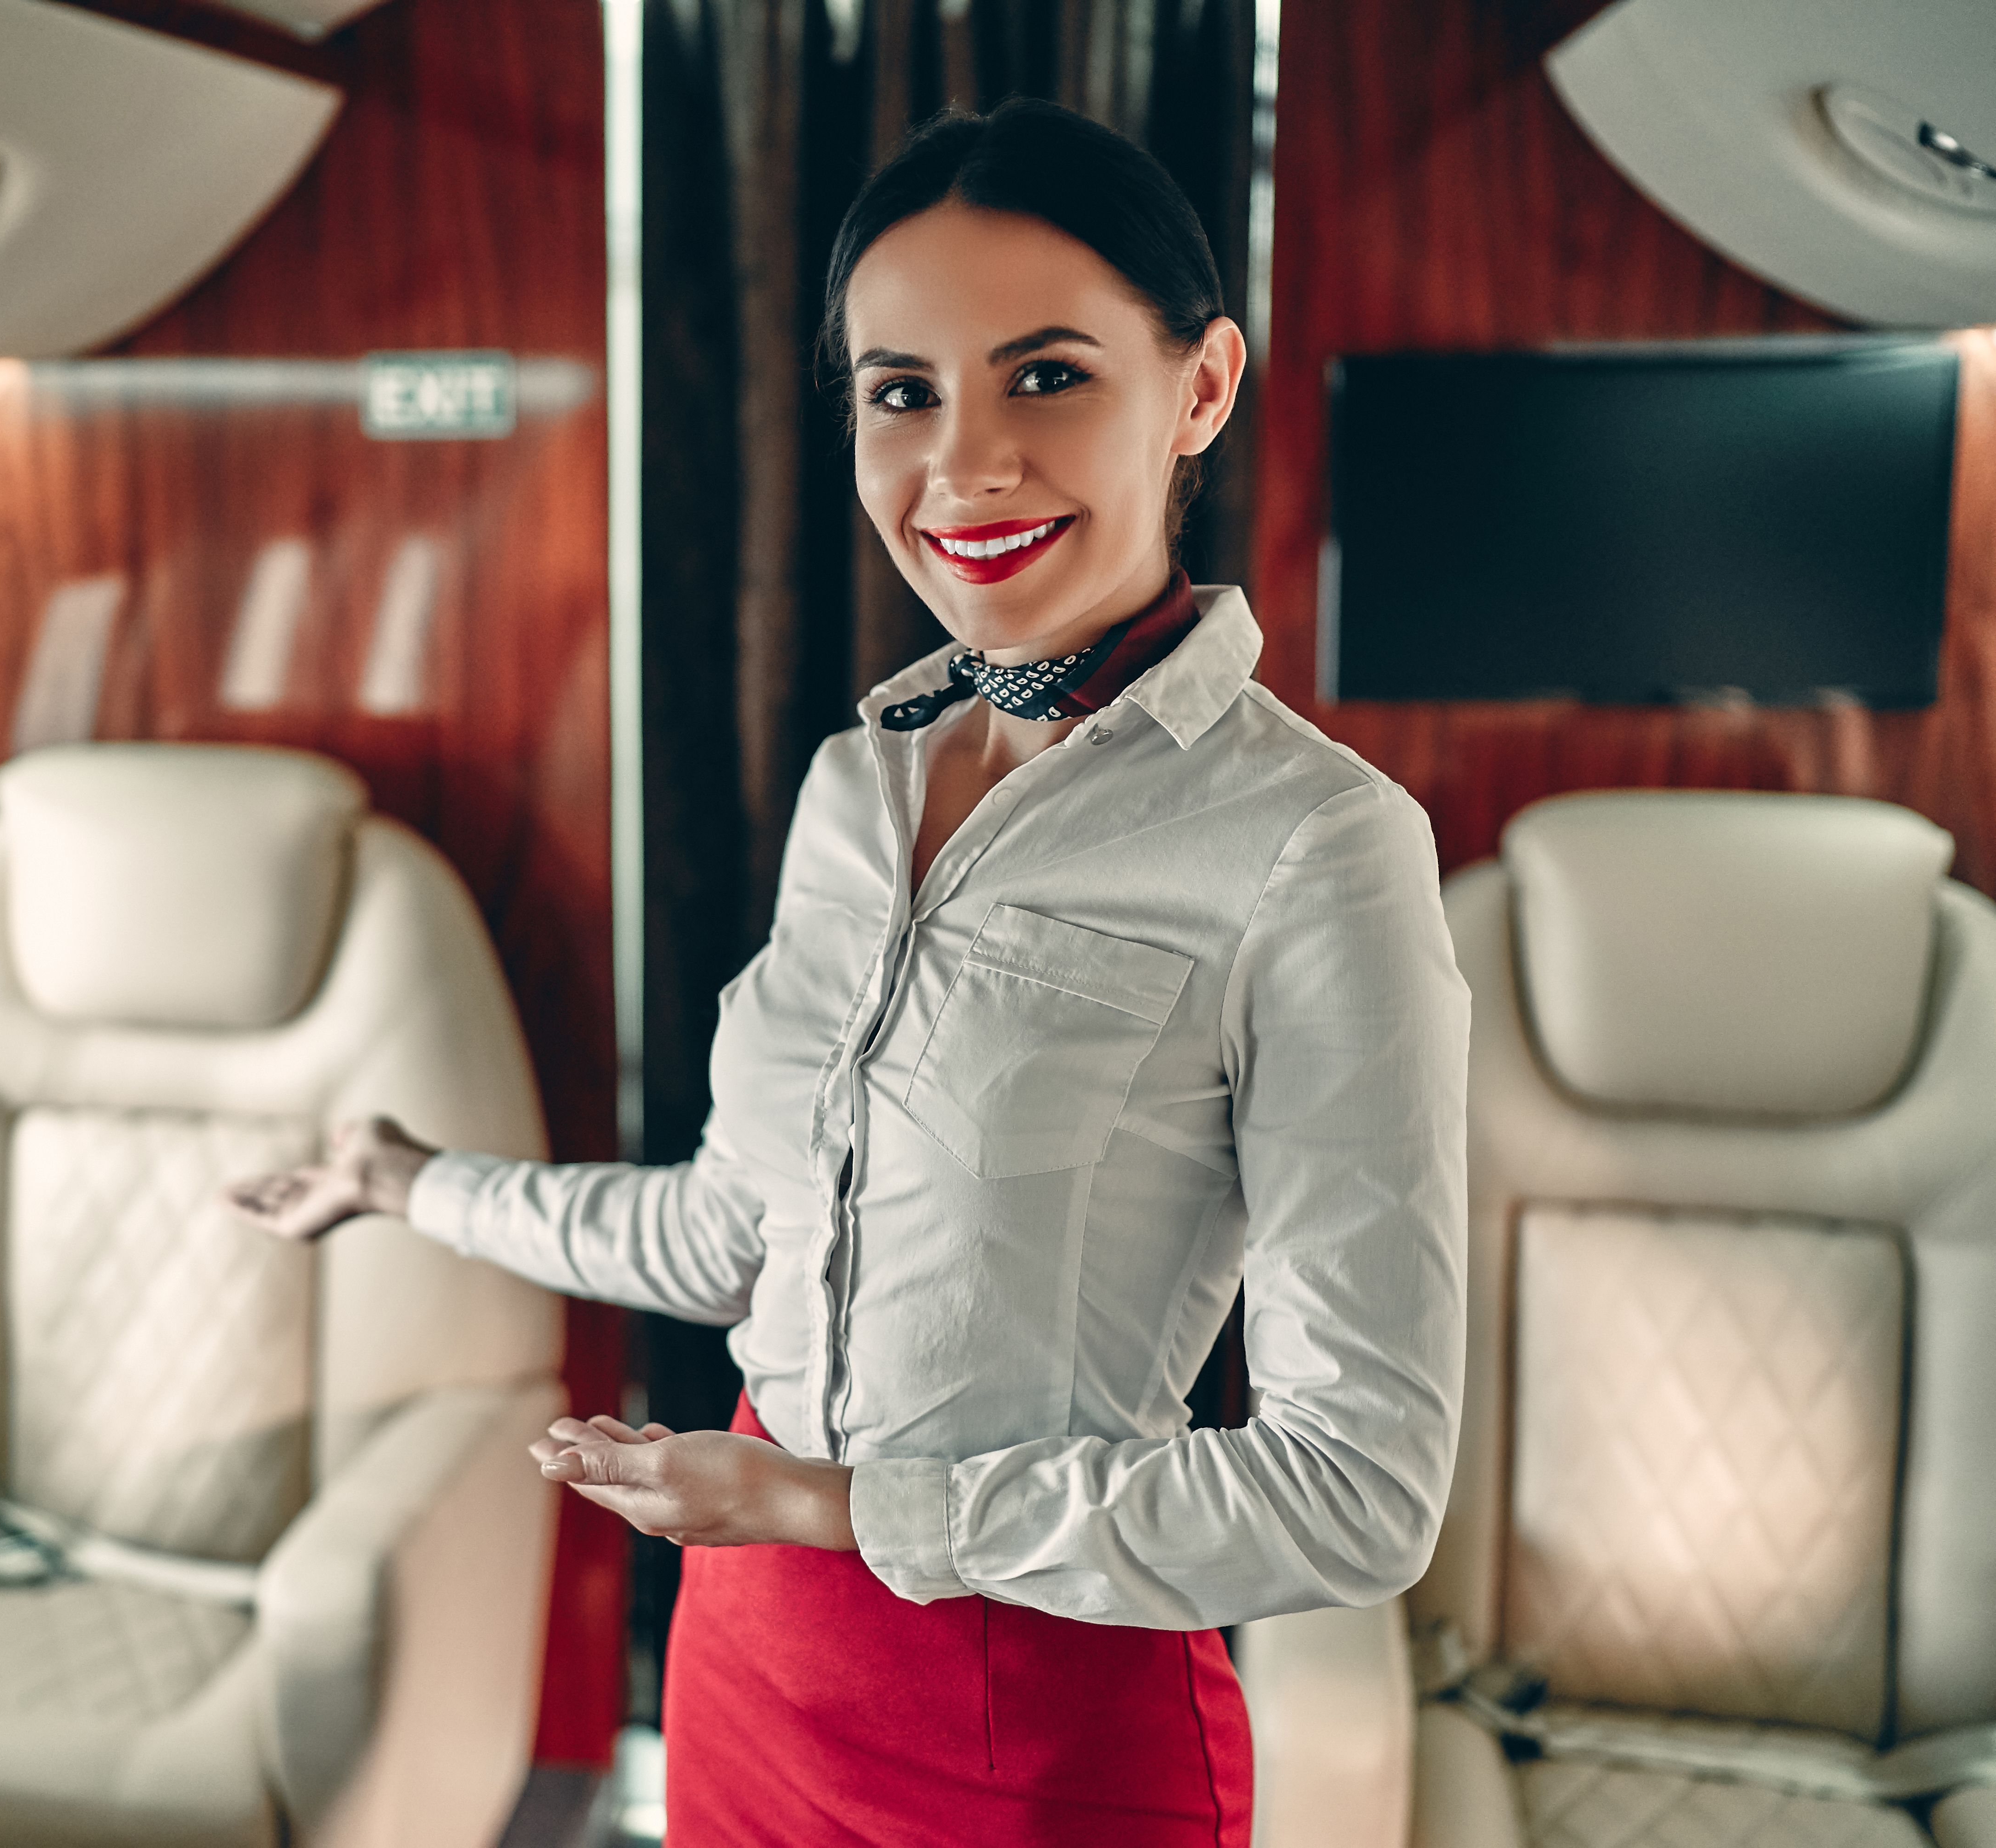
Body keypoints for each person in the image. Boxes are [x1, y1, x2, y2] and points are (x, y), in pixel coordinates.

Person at [229, 97, 1467, 1848]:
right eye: (903, 393)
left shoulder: (1317, 847)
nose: (962, 468)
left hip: (1036, 1735)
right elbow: (732, 1234)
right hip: (745, 1658)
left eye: (1046, 376)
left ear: (1198, 389)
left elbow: (1355, 1499)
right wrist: (403, 1181)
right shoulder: (853, 786)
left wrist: (836, 1505)